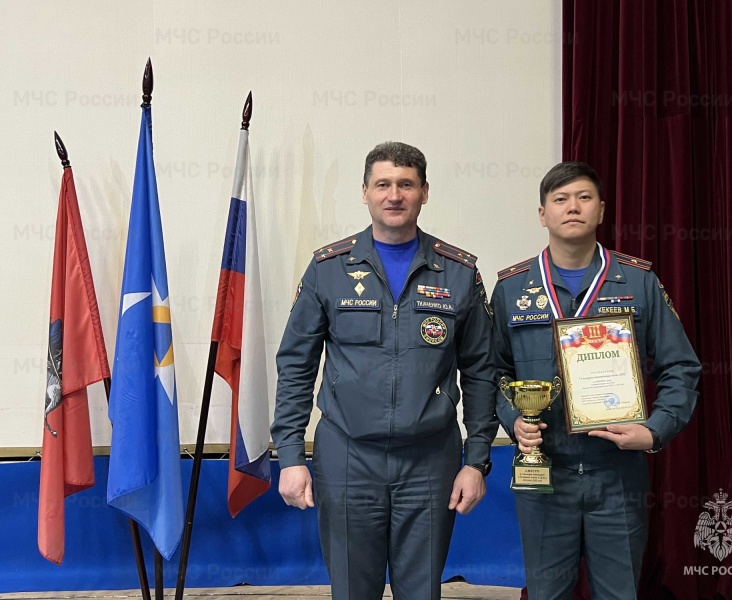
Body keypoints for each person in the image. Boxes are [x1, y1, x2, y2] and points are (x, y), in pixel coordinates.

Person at [271, 141, 497, 600]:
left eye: (406, 184)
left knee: (421, 591)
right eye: (384, 184)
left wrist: (476, 461)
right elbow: (296, 365)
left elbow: (480, 371)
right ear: (365, 192)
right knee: (354, 589)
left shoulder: (458, 273)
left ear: (424, 192)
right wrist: (291, 456)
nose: (394, 195)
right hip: (348, 456)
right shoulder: (328, 269)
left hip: (430, 459)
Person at [491, 162, 701, 599]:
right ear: (542, 213)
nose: (573, 208)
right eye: (561, 199)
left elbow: (681, 368)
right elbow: (492, 372)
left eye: (584, 198)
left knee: (620, 593)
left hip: (617, 475)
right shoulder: (512, 289)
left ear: (601, 210)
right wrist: (514, 420)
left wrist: (654, 431)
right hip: (545, 474)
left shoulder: (639, 282)